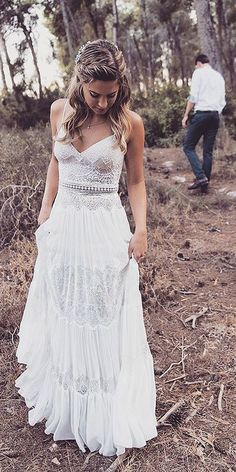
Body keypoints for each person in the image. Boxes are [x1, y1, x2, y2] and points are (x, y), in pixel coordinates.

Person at [15, 39, 157, 457]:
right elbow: (56, 161)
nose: (102, 101)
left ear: (121, 87)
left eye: (110, 94)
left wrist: (142, 228)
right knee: (64, 305)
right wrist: (45, 210)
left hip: (103, 225)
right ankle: (68, 397)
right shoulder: (59, 110)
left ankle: (100, 404)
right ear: (81, 81)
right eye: (95, 93)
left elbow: (135, 181)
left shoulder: (130, 122)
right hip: (64, 224)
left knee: (99, 310)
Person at [182, 53, 226, 191]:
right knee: (208, 151)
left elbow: (193, 96)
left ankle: (200, 177)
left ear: (199, 63)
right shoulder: (218, 76)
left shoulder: (198, 73)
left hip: (202, 114)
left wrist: (185, 115)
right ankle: (204, 184)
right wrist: (215, 112)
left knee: (188, 146)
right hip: (214, 116)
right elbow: (222, 101)